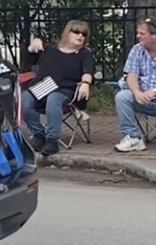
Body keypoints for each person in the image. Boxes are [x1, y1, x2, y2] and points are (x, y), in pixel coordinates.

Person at [21, 20, 95, 156]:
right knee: (25, 101)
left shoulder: (84, 53)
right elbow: (29, 61)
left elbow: (88, 72)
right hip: (44, 86)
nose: (80, 36)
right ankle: (39, 134)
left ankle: (52, 140)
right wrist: (33, 46)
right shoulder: (50, 50)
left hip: (66, 88)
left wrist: (85, 84)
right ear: (67, 33)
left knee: (53, 99)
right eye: (76, 32)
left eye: (84, 34)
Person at [112, 18, 156, 153]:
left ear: (154, 35)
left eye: (142, 33)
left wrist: (154, 91)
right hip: (142, 98)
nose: (137, 36)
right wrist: (136, 92)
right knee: (122, 96)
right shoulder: (137, 50)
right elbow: (131, 76)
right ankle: (133, 137)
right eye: (138, 33)